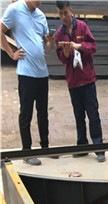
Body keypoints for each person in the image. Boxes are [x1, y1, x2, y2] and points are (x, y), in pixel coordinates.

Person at [1, 1, 55, 166]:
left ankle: (45, 147)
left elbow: (48, 45)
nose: (39, 1)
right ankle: (27, 151)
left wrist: (51, 41)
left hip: (42, 72)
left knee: (43, 112)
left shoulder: (41, 16)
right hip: (26, 73)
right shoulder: (15, 10)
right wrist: (11, 54)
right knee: (26, 113)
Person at [55, 1, 105, 162]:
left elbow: (93, 46)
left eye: (65, 12)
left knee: (93, 114)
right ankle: (82, 146)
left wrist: (79, 46)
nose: (63, 17)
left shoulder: (82, 27)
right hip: (73, 81)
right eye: (60, 14)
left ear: (70, 10)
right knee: (79, 116)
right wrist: (66, 53)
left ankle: (98, 148)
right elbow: (62, 59)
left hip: (87, 79)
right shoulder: (60, 34)